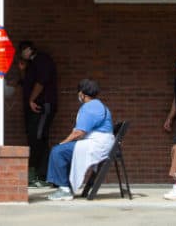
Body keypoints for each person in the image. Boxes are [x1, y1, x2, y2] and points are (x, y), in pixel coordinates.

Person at [45, 78, 115, 201]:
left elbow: (78, 132)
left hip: (97, 145)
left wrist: (63, 143)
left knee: (58, 151)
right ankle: (66, 186)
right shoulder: (98, 105)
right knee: (64, 151)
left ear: (82, 94)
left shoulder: (90, 107)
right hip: (101, 143)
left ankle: (65, 189)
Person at [19, 40, 58, 187]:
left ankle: (43, 175)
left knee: (39, 138)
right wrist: (22, 70)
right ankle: (38, 174)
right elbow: (26, 83)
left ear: (31, 49)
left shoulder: (42, 59)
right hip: (35, 106)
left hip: (43, 105)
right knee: (34, 137)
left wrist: (31, 100)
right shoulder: (31, 65)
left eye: (24, 49)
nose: (23, 53)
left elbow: (41, 82)